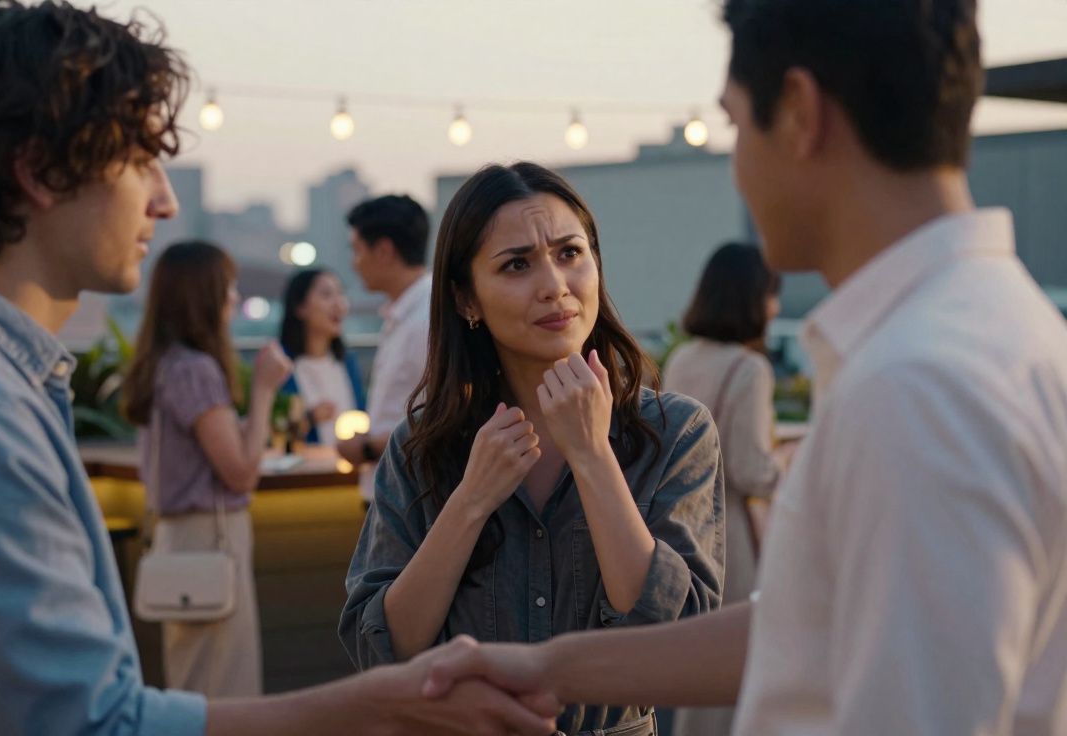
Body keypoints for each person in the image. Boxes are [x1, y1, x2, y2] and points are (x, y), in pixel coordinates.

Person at [0, 2, 559, 734]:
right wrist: (390, 707)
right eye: (141, 161)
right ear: (39, 172)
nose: (163, 201)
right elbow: (96, 726)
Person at [419, 1, 1067, 734]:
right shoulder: (989, 330)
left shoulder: (915, 386)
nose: (737, 166)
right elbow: (809, 629)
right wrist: (545, 669)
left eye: (733, 125)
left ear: (797, 112)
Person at [341, 162, 725, 735]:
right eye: (516, 264)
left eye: (570, 253)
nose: (554, 285)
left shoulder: (674, 432)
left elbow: (680, 643)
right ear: (466, 300)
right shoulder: (423, 446)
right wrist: (470, 501)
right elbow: (383, 649)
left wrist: (593, 456)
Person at [120, 240, 291, 697]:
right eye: (227, 287)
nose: (234, 298)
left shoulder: (165, 364)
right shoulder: (195, 370)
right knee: (223, 684)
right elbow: (241, 473)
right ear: (204, 296)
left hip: (178, 537)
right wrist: (264, 391)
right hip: (210, 536)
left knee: (194, 677)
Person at [662, 242, 788, 736]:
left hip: (682, 521)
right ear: (752, 297)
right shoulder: (749, 368)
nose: (775, 307)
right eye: (771, 295)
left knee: (698, 661)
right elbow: (750, 469)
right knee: (734, 666)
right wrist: (790, 463)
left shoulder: (684, 357)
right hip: (731, 530)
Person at [334, 195, 431, 505]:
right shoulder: (405, 312)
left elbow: (446, 415)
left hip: (411, 499)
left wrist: (367, 448)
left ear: (385, 251)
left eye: (357, 250)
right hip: (395, 491)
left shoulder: (426, 318)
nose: (354, 262)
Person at [277, 268, 365, 446]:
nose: (339, 304)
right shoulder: (280, 365)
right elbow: (273, 429)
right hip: (304, 462)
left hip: (349, 462)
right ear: (300, 307)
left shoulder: (347, 362)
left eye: (340, 294)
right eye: (326, 295)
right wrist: (309, 419)